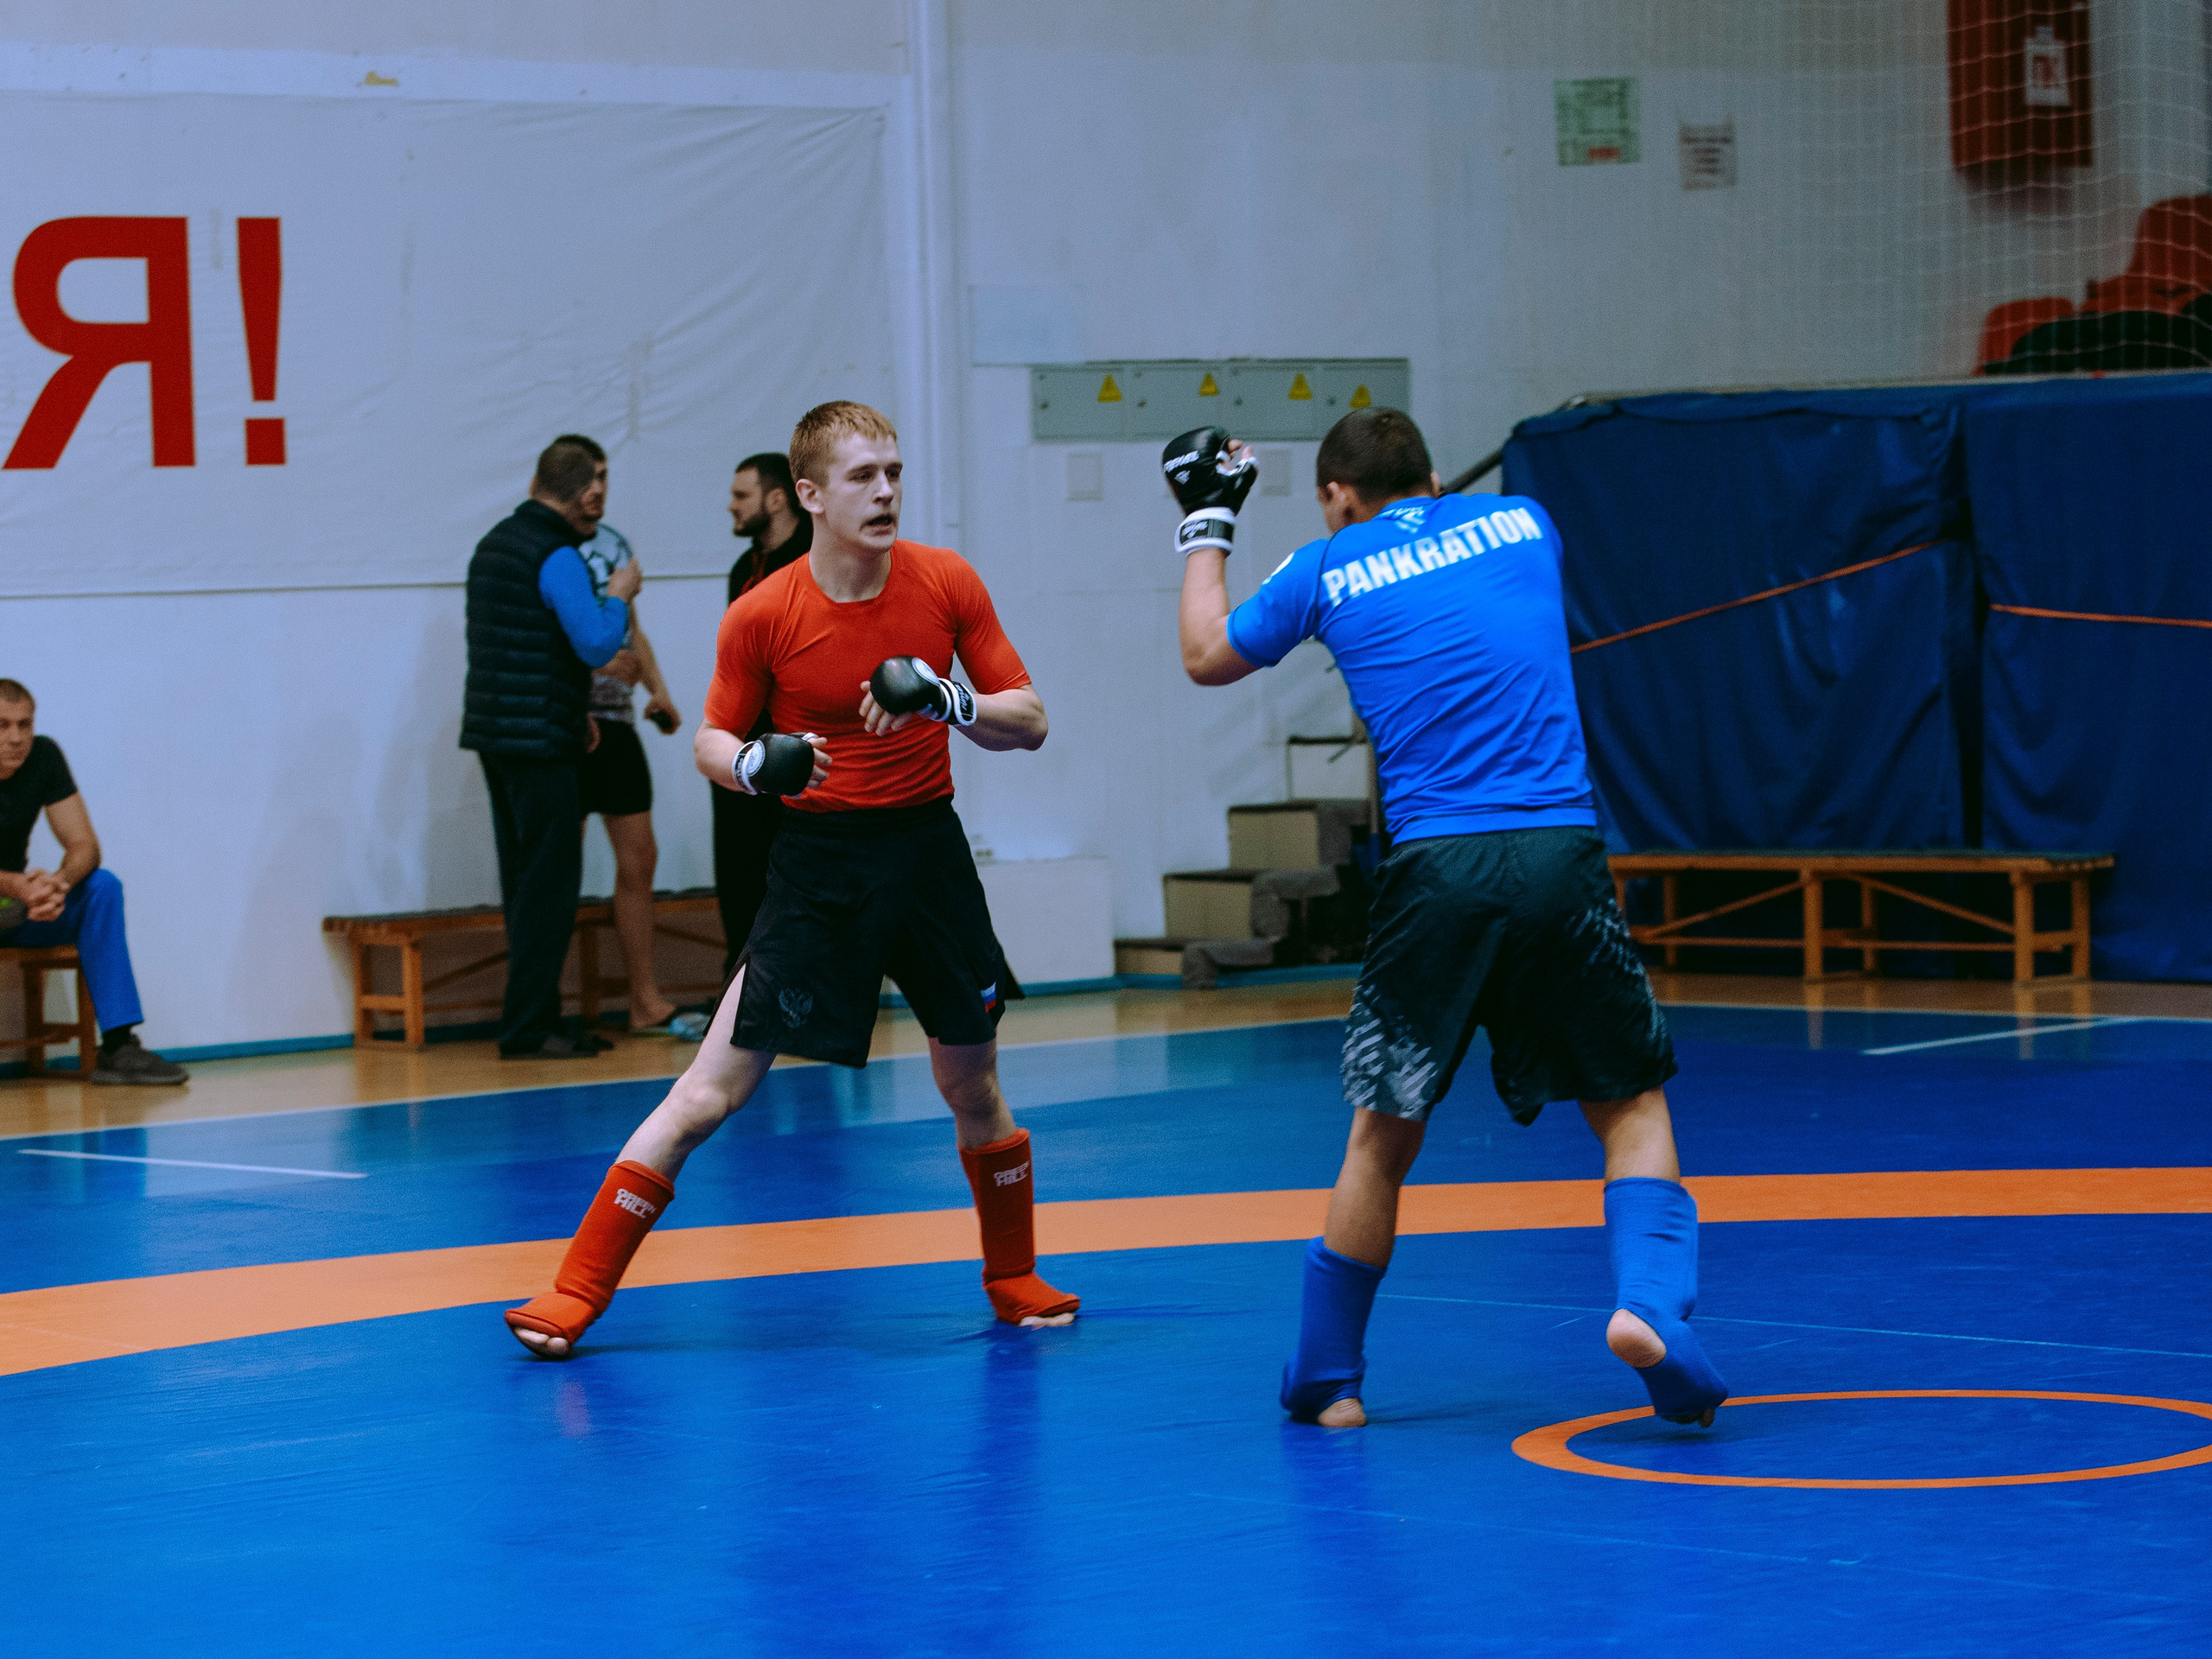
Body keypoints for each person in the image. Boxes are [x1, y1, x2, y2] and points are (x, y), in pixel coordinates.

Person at [1166, 409, 1727, 1429]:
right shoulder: (1524, 522)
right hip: (1560, 853)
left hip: (1437, 868)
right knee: (1630, 1105)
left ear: (1338, 495)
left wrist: (1207, 520)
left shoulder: (1326, 565)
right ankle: (1650, 1309)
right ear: (1429, 473)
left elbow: (1205, 654)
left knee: (1381, 1136)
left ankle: (1329, 1380)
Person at [503, 401, 1077, 1357]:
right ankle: (575, 1289)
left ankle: (1011, 1273)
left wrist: (946, 697)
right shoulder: (764, 612)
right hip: (819, 868)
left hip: (926, 857)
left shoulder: (945, 582)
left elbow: (1029, 717)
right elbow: (710, 740)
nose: (886, 490)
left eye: (893, 471)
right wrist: (756, 766)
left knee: (970, 1084)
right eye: (863, 476)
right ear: (808, 494)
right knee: (709, 1091)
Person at [461, 435, 640, 1060]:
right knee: (551, 885)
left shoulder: (494, 545)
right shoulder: (557, 554)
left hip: (501, 737)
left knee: (524, 881)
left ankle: (528, 1016)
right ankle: (530, 1027)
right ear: (588, 491)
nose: (601, 505)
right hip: (539, 744)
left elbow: (518, 649)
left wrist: (568, 713)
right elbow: (594, 646)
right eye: (601, 491)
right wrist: (619, 591)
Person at [563, 436, 701, 1039]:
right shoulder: (548, 549)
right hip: (564, 724)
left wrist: (656, 689)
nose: (597, 489)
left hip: (615, 724)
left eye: (603, 477)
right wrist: (590, 669)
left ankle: (645, 999)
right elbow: (547, 637)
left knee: (640, 858)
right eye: (586, 478)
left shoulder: (615, 546)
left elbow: (631, 630)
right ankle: (549, 1005)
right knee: (557, 867)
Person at [0, 680, 188, 1084]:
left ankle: (119, 1045)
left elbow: (84, 844)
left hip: (19, 908)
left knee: (102, 886)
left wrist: (58, 884)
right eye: (2, 726)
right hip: (11, 895)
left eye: (24, 724)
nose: (15, 738)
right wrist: (17, 885)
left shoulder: (44, 756)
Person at [712, 452, 813, 978]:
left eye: (740, 495)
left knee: (795, 874)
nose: (731, 506)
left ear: (777, 499)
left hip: (798, 749)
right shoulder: (743, 570)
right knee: (739, 873)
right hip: (745, 747)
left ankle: (800, 988)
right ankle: (743, 985)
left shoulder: (813, 562)